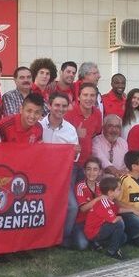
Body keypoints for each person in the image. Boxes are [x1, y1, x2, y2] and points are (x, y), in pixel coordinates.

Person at [40, 93, 80, 249]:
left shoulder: (70, 130)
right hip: (41, 175)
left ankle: (63, 238)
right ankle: (41, 237)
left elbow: (74, 158)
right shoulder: (38, 125)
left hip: (62, 176)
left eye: (64, 106)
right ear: (49, 106)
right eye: (57, 105)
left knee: (72, 207)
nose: (60, 109)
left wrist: (75, 152)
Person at [65, 83, 103, 179]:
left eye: (92, 95)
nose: (89, 98)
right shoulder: (69, 113)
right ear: (78, 97)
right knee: (70, 194)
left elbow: (96, 133)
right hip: (70, 163)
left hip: (87, 163)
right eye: (85, 95)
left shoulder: (97, 114)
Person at [83, 176, 127, 260]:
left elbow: (118, 210)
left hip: (100, 229)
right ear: (110, 192)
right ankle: (112, 252)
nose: (121, 191)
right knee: (119, 223)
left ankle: (97, 244)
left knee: (123, 237)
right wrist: (120, 218)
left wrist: (132, 211)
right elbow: (114, 220)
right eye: (119, 189)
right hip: (93, 233)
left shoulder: (110, 201)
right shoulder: (103, 202)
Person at [72, 157, 104, 250]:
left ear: (100, 172)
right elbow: (83, 209)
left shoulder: (100, 186)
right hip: (82, 222)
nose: (91, 172)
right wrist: (99, 198)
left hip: (96, 223)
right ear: (84, 171)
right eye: (88, 169)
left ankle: (94, 240)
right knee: (82, 245)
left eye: (95, 169)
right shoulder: (80, 186)